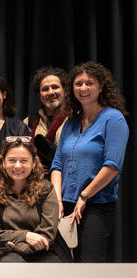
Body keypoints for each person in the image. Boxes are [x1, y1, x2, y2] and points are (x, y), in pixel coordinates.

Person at [51, 62, 129, 262]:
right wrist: (57, 200)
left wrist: (84, 196)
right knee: (66, 264)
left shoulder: (113, 119)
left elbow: (112, 166)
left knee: (90, 264)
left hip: (96, 205)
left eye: (89, 83)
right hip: (66, 205)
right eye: (78, 84)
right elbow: (57, 165)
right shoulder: (70, 123)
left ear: (101, 86)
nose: (83, 88)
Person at [0, 137, 63, 262]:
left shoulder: (46, 190)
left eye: (24, 161)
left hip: (44, 251)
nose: (17, 166)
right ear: (3, 163)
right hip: (8, 254)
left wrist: (14, 245)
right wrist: (25, 235)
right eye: (12, 160)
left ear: (33, 164)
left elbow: (46, 236)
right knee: (9, 262)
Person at [24, 66, 68, 176]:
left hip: (69, 182)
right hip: (39, 184)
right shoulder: (29, 122)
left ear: (64, 90)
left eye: (55, 87)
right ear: (39, 94)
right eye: (45, 89)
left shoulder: (76, 119)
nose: (51, 92)